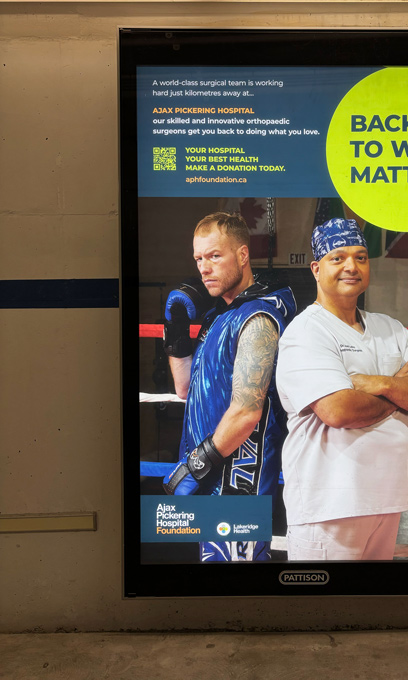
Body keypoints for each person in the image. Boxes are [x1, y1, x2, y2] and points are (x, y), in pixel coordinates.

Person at [276, 217, 408, 561]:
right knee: (323, 612)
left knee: (369, 609)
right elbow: (340, 411)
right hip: (329, 507)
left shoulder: (390, 328)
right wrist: (399, 393)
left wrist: (380, 383)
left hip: (387, 500)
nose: (351, 266)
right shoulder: (306, 332)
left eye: (361, 257)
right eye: (338, 258)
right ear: (316, 268)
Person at [163, 211, 296, 562]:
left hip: (240, 479)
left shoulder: (258, 317)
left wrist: (195, 466)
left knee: (242, 584)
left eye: (214, 256)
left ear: (242, 255)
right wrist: (176, 329)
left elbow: (248, 410)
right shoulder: (217, 316)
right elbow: (183, 387)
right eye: (198, 259)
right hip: (211, 475)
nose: (204, 268)